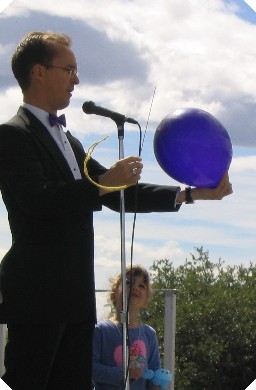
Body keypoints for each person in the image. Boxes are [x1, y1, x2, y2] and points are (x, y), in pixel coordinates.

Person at [0, 30, 232, 390]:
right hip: (37, 297)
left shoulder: (69, 141)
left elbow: (116, 194)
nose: (77, 80)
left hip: (75, 299)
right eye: (69, 69)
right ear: (39, 72)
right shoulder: (12, 135)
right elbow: (38, 199)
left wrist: (191, 195)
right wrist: (104, 182)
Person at [92, 265, 163, 390]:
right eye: (129, 282)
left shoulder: (149, 334)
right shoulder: (101, 330)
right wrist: (124, 374)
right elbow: (92, 368)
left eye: (142, 286)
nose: (135, 287)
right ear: (114, 295)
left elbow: (155, 373)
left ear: (146, 302)